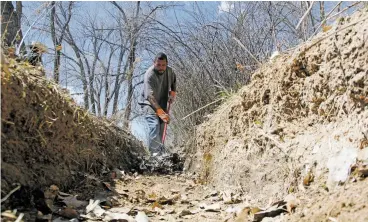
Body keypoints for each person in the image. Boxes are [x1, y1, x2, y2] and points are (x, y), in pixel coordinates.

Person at [141, 52, 176, 155]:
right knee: (154, 125)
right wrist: (161, 113)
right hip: (149, 104)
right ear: (154, 63)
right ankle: (153, 156)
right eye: (158, 65)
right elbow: (150, 97)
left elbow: (174, 81)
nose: (161, 67)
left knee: (161, 128)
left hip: (162, 102)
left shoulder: (170, 71)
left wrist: (172, 93)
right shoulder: (149, 75)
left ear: (167, 64)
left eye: (163, 65)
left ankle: (160, 155)